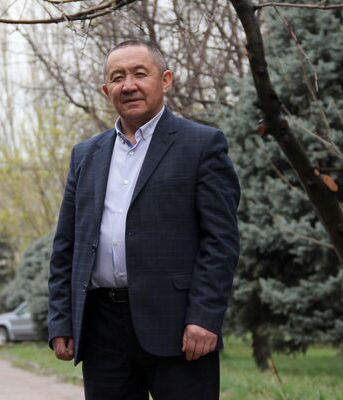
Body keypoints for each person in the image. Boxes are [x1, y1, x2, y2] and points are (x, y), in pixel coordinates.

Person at [47, 39, 240, 399]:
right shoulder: (86, 155)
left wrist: (204, 317)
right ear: (106, 90)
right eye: (117, 77)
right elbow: (66, 245)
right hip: (102, 331)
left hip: (179, 328)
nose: (128, 85)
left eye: (140, 73)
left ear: (165, 80)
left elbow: (221, 242)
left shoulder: (202, 145)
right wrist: (61, 319)